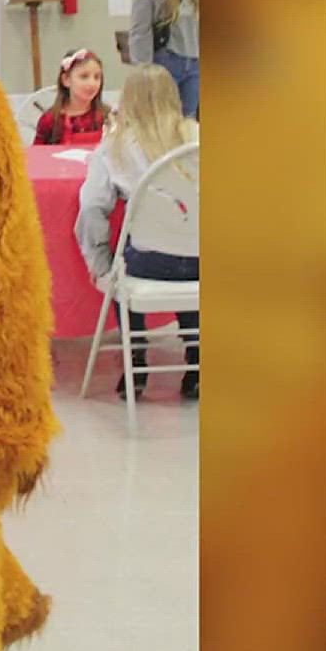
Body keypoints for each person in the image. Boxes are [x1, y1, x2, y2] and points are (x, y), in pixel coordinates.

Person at [76, 62, 200, 400]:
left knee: (125, 261)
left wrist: (98, 262)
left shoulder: (114, 148)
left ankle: (136, 353)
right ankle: (196, 359)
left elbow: (91, 209)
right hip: (203, 260)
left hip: (148, 261)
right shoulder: (197, 138)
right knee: (188, 252)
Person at [32, 48, 110, 146]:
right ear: (66, 80)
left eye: (97, 77)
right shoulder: (50, 120)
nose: (92, 83)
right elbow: (38, 155)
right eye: (84, 76)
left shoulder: (107, 116)